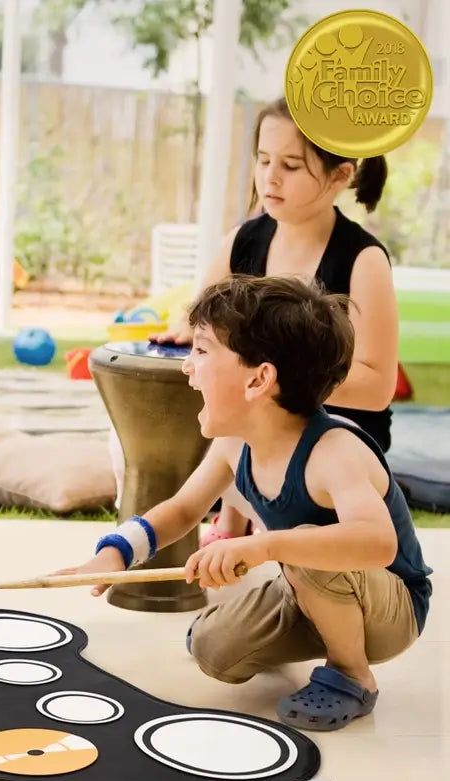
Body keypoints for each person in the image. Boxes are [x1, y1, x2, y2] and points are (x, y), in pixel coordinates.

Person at [57, 275, 432, 732]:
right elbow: (180, 510)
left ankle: (352, 673)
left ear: (259, 379)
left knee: (302, 544)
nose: (186, 368)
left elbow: (377, 544)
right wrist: (112, 555)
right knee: (212, 649)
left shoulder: (335, 451)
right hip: (308, 588)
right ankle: (320, 628)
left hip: (391, 607)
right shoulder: (236, 445)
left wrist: (263, 547)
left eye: (201, 351)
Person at [151, 95, 399, 545]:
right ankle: (228, 518)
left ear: (340, 176)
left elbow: (378, 387)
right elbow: (196, 321)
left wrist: (280, 374)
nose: (270, 176)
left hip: (332, 436)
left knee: (248, 392)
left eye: (290, 164)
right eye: (263, 159)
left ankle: (239, 521)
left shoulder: (363, 260)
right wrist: (185, 337)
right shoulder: (242, 242)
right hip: (257, 422)